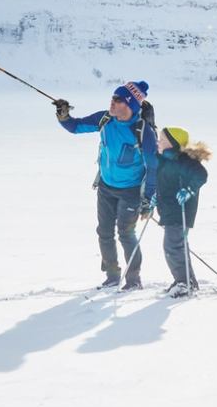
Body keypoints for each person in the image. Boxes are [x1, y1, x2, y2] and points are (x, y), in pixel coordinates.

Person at [55, 80, 159, 289]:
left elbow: (153, 168)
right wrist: (63, 115)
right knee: (104, 232)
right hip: (105, 186)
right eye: (112, 97)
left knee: (126, 233)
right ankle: (112, 276)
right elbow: (75, 127)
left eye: (118, 99)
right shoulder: (104, 119)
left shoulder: (143, 132)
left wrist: (148, 200)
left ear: (130, 105)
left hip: (130, 192)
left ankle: (133, 280)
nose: (112, 102)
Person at [156, 127, 212, 297]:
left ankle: (184, 283)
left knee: (173, 247)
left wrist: (189, 190)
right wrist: (153, 198)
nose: (158, 142)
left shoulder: (184, 160)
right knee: (178, 247)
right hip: (168, 209)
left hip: (181, 210)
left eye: (162, 140)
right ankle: (187, 280)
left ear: (172, 143)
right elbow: (163, 184)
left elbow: (201, 175)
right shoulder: (164, 160)